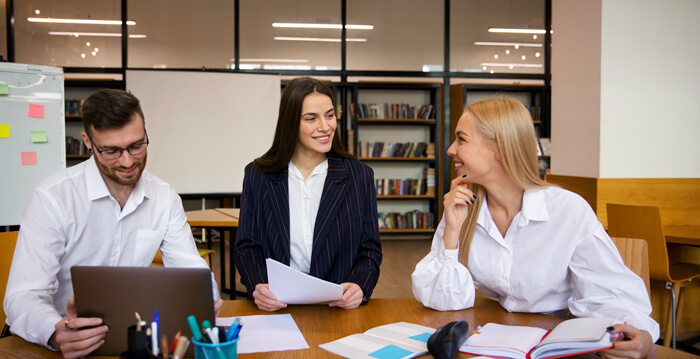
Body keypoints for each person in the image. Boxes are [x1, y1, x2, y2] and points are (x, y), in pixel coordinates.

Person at [411, 98, 658, 359]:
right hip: (498, 337)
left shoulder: (567, 210)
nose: (450, 149)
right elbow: (444, 300)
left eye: (461, 139)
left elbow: (610, 294)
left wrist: (638, 335)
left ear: (499, 148)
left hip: (561, 343)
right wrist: (451, 231)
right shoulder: (464, 206)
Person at [3, 89, 222, 359]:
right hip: (61, 345)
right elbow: (23, 296)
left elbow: (192, 273)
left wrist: (205, 300)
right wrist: (54, 330)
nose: (128, 161)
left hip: (134, 340)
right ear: (88, 142)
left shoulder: (164, 197)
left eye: (136, 145)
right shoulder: (53, 198)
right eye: (111, 151)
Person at [234, 77, 382, 311]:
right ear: (290, 123)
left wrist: (359, 285)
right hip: (278, 308)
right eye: (311, 118)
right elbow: (247, 246)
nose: (325, 126)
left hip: (337, 308)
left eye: (330, 115)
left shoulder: (359, 176)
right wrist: (258, 285)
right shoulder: (258, 175)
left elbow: (369, 249)